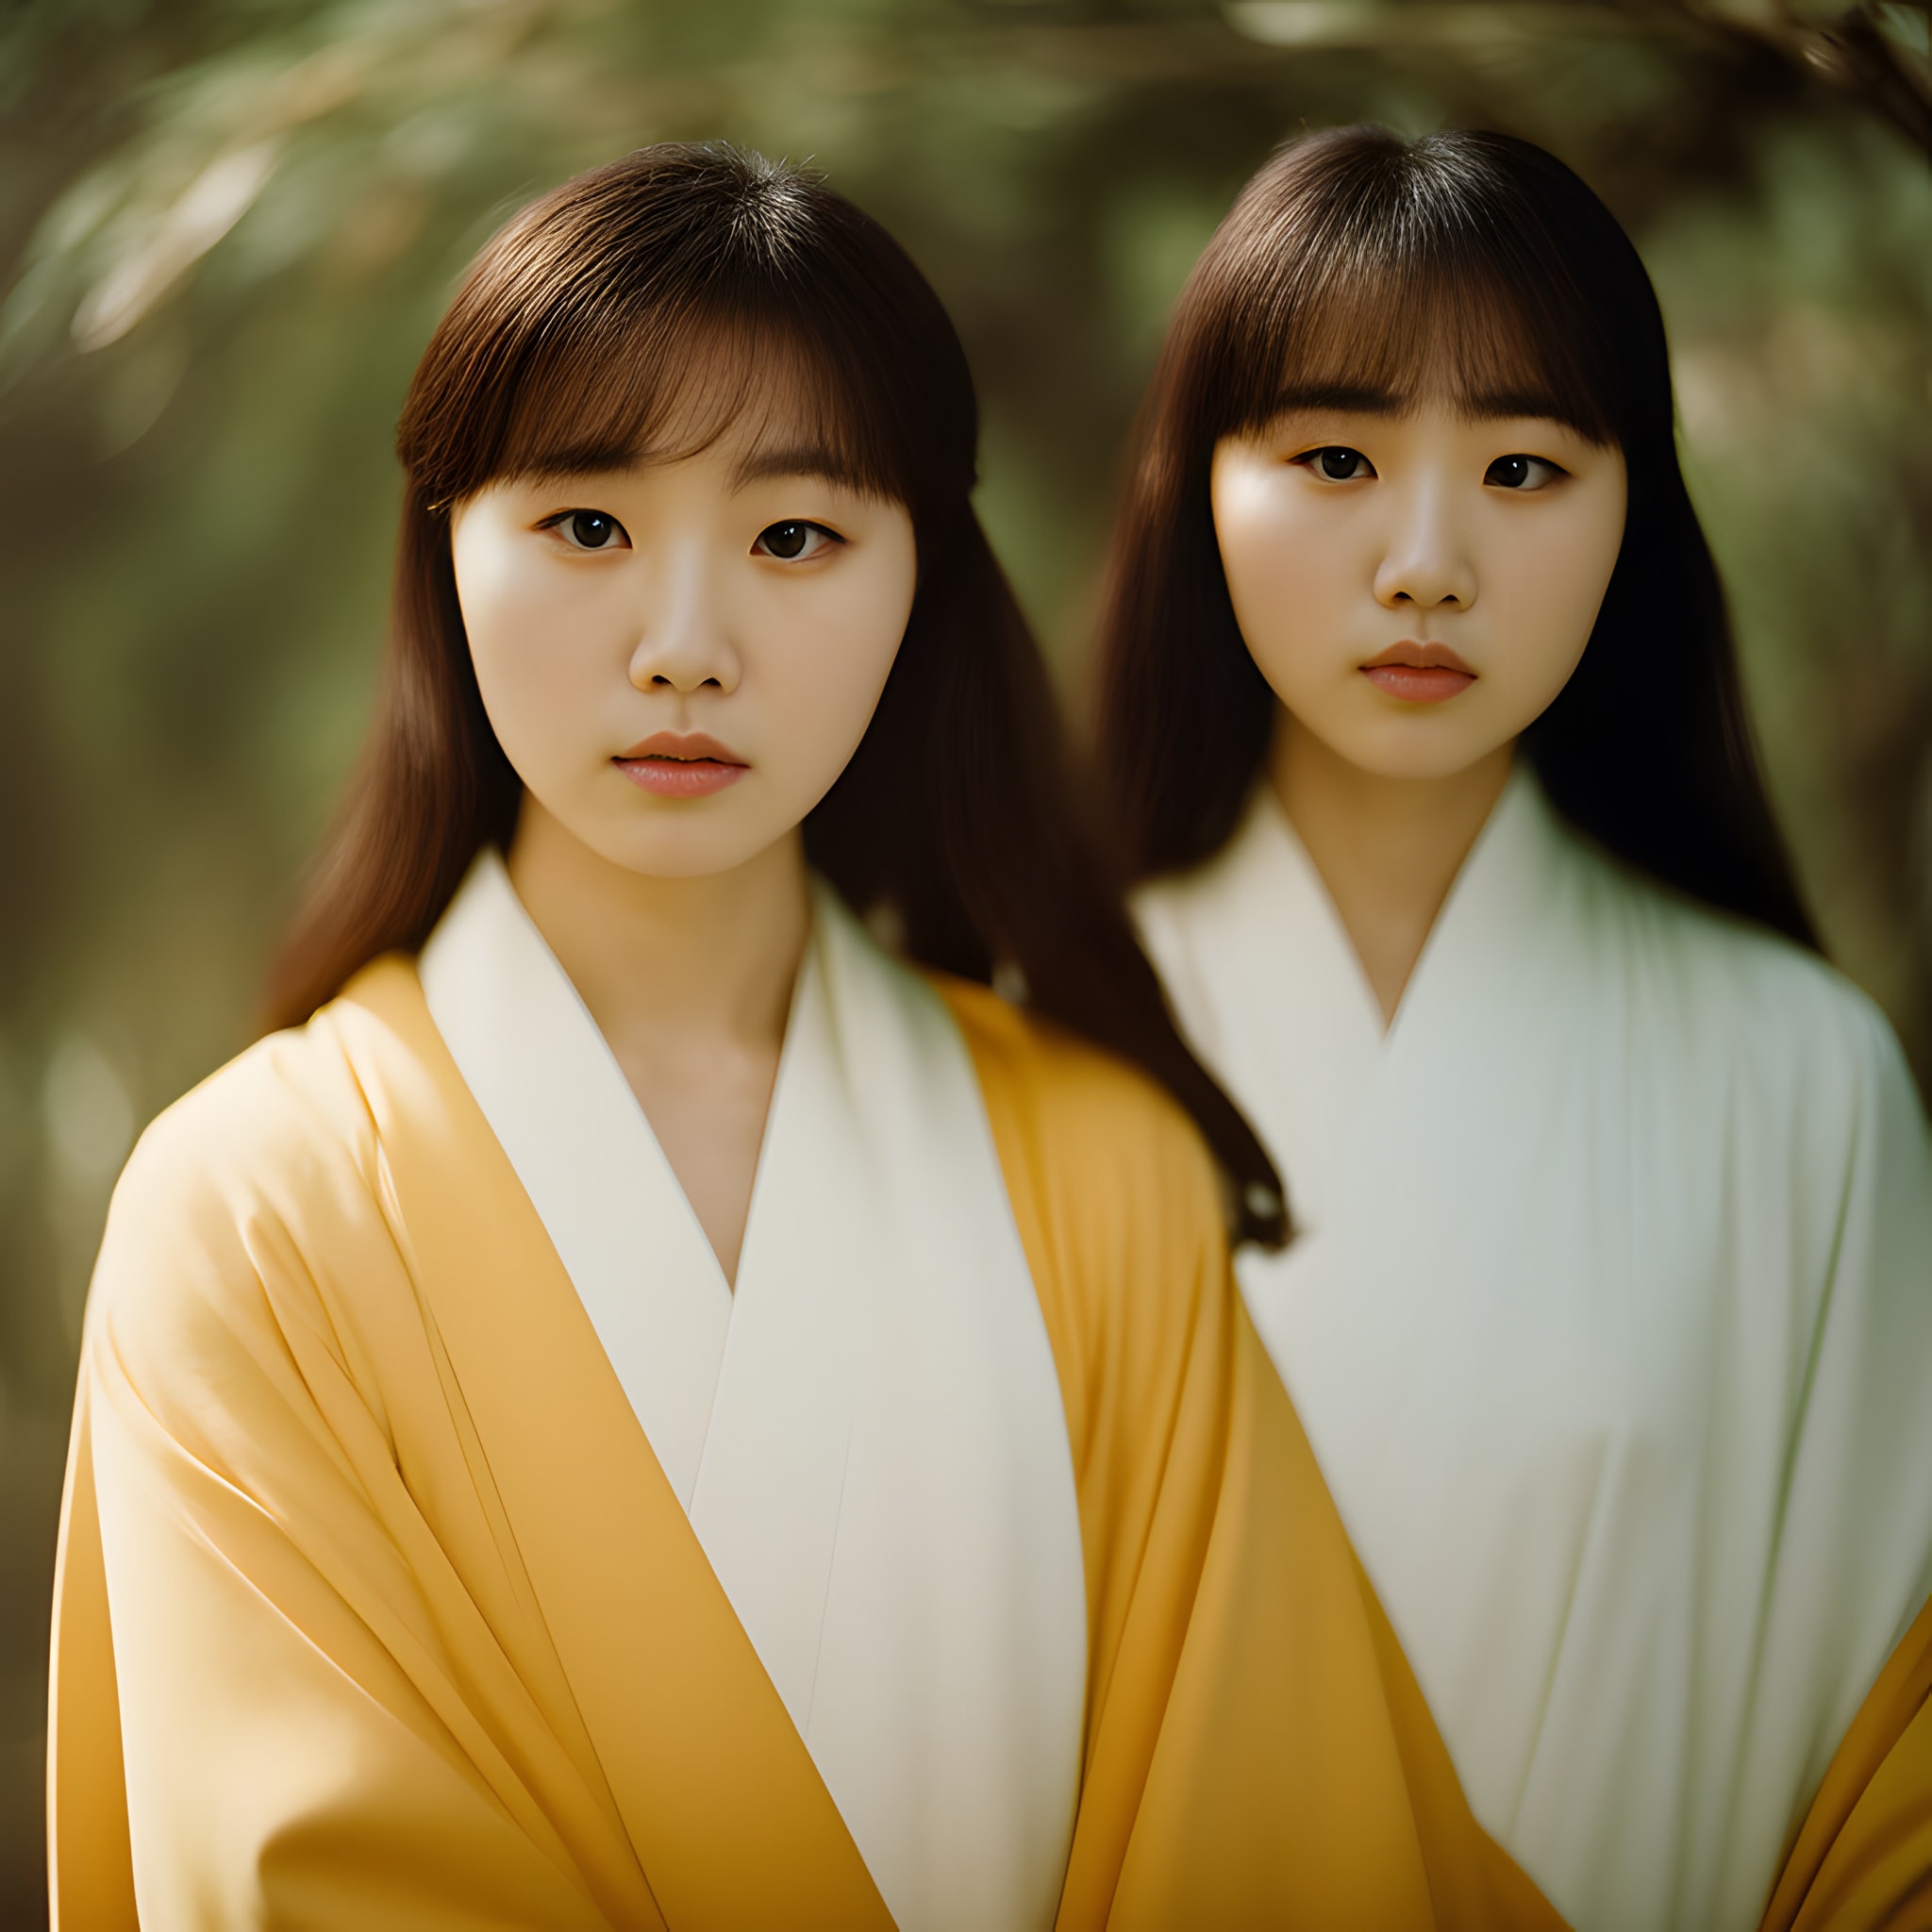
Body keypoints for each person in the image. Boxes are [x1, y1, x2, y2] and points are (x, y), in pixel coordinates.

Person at [47, 142, 1564, 1930]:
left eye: (793, 535)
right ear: (444, 545)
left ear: (921, 577)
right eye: (588, 524)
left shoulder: (1106, 1181)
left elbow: (1285, 1848)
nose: (685, 648)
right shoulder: (248, 1214)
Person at [1096, 125, 1932, 1932]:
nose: (1425, 560)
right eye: (1331, 455)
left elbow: (1876, 1808)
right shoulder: (1026, 1049)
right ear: (1197, 489)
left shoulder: (1803, 1084)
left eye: (1527, 467)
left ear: (1639, 510)